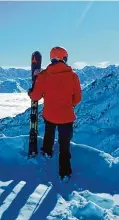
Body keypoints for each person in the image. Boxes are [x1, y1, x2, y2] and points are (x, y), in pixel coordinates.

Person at [28, 46, 82, 181]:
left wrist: (30, 92)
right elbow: (78, 98)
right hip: (67, 116)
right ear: (64, 58)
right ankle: (64, 172)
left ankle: (47, 151)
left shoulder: (44, 75)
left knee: (49, 132)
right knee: (64, 145)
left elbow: (35, 96)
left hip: (49, 114)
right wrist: (69, 104)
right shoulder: (73, 75)